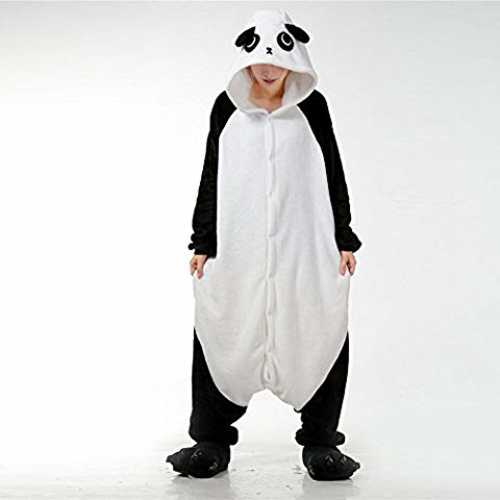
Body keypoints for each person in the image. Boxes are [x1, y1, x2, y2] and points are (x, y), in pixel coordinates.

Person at [167, 9, 362, 480]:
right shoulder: (226, 107)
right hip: (239, 244)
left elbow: (332, 168)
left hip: (304, 242)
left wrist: (344, 235)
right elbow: (211, 171)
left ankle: (321, 443)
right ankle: (210, 441)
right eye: (260, 60)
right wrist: (202, 239)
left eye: (278, 60)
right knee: (222, 329)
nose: (269, 69)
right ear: (246, 59)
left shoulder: (313, 107)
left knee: (318, 327)